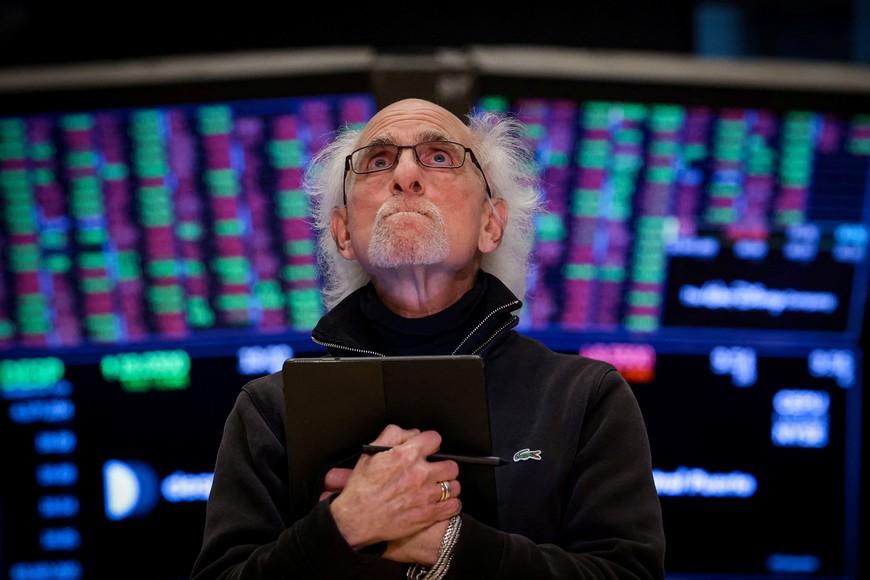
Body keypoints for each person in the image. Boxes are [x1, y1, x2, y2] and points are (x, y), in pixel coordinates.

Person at [191, 97, 666, 579]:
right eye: (378, 162)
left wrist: (452, 546)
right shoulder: (270, 411)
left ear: (491, 223)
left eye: (439, 157)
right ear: (343, 233)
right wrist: (341, 527)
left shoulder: (583, 398)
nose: (405, 175)